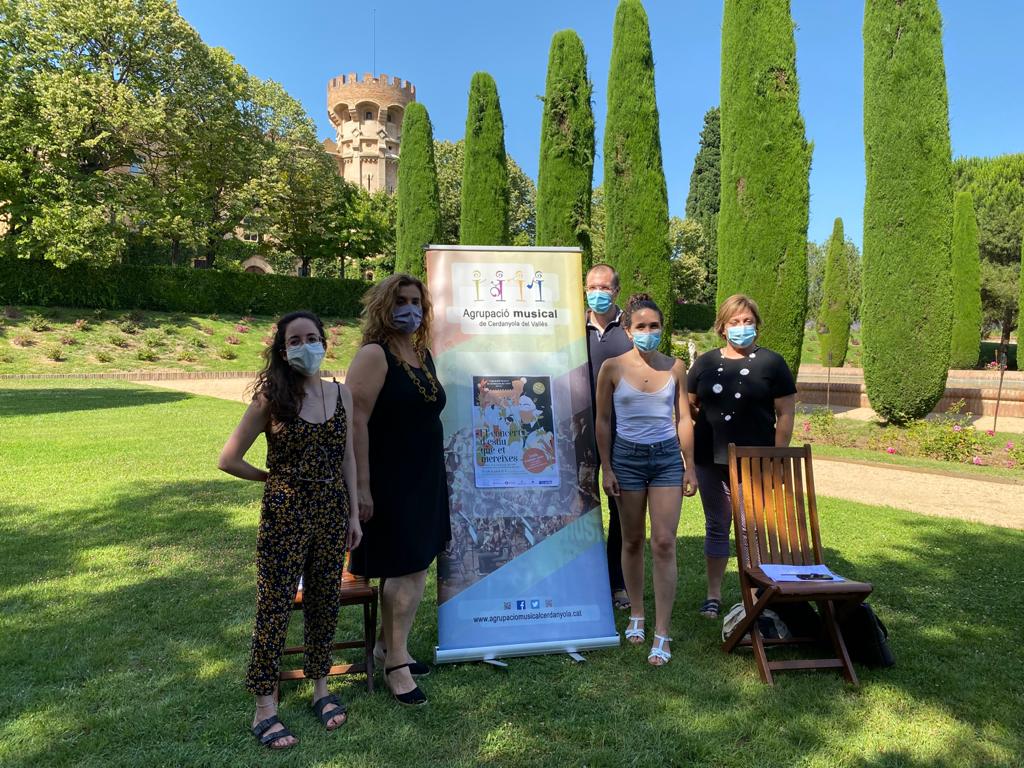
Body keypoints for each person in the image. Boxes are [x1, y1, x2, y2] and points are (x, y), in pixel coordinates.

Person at [218, 310, 361, 750]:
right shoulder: (271, 398)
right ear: (283, 349)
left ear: (325, 341)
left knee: (324, 602)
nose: (305, 346)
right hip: (285, 514)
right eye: (295, 340)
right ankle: (265, 706)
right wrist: (271, 479)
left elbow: (348, 457)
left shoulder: (341, 395)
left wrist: (354, 513)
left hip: (332, 512)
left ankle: (321, 687)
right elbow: (228, 459)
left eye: (312, 337)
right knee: (275, 605)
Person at [346, 273, 450, 706]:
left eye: (417, 301)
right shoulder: (374, 354)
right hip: (389, 478)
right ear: (383, 307)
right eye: (401, 301)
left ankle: (388, 648)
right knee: (405, 568)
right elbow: (354, 421)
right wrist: (363, 488)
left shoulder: (421, 353)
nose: (411, 309)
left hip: (424, 475)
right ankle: (396, 666)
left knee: (415, 565)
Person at [595, 293, 698, 666]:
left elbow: (684, 418)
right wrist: (607, 466)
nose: (649, 332)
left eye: (655, 326)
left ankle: (662, 631)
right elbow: (603, 421)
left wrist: (690, 465)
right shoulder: (611, 368)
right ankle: (636, 612)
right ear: (628, 329)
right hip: (627, 460)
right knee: (633, 539)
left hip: (667, 460)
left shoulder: (676, 367)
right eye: (641, 326)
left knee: (665, 543)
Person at [686, 294, 796, 620]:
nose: (742, 327)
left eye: (748, 321)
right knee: (717, 526)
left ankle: (753, 593)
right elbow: (689, 406)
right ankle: (713, 595)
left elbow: (785, 412)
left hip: (755, 462)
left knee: (752, 529)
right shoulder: (704, 364)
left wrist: (775, 456)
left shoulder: (773, 364)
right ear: (723, 327)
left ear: (757, 326)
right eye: (735, 322)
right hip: (710, 460)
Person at [584, 263, 634, 611]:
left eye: (604, 287)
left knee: (621, 510)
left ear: (616, 290)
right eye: (591, 287)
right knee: (579, 508)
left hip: (623, 432)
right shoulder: (571, 326)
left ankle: (618, 583)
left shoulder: (631, 328)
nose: (597, 293)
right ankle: (584, 581)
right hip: (578, 431)